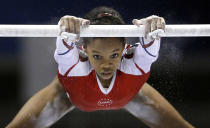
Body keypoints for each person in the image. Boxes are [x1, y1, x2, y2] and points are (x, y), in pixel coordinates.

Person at [6, 6, 194, 128]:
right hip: (66, 95)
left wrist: (153, 27)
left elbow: (150, 44)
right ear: (83, 50)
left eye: (114, 54)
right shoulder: (73, 66)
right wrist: (66, 28)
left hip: (132, 94)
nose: (106, 64)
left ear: (125, 47)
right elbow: (64, 46)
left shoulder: (134, 64)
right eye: (97, 56)